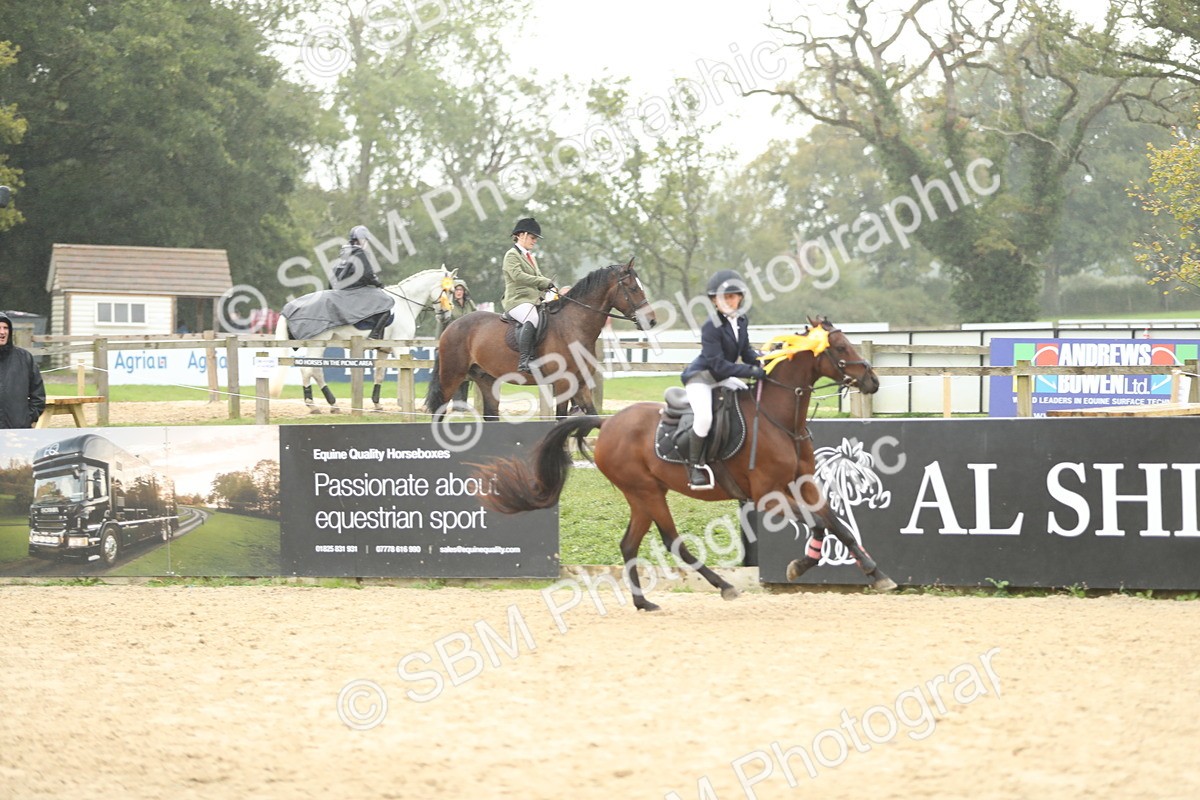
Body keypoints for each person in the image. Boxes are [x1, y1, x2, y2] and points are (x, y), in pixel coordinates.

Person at [679, 270, 766, 490]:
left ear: (740, 298)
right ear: (714, 301)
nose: (727, 301)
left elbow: (746, 352)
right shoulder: (711, 326)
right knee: (704, 418)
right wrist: (752, 371)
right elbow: (717, 364)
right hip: (702, 378)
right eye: (722, 298)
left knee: (747, 399)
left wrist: (765, 361)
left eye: (731, 296)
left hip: (723, 377)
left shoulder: (742, 321)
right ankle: (694, 467)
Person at [502, 217, 555, 373]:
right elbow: (517, 276)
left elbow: (537, 280)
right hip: (517, 301)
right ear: (522, 235)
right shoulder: (511, 255)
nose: (534, 241)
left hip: (533, 300)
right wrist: (543, 281)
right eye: (532, 238)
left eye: (535, 239)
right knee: (532, 318)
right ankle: (525, 360)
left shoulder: (530, 257)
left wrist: (548, 288)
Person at [330, 225, 390, 340]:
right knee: (386, 305)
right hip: (355, 293)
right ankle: (375, 335)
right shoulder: (359, 253)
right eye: (366, 240)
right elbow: (368, 275)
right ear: (361, 240)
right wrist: (379, 284)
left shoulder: (344, 253)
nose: (366, 243)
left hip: (341, 293)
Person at [0, 312, 47, 429]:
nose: (2, 332)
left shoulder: (24, 358)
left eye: (5, 328)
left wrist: (28, 418)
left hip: (18, 431)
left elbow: (38, 395)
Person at [436, 279, 477, 404]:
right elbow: (442, 323)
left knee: (468, 373)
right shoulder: (447, 304)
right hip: (453, 342)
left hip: (468, 343)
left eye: (460, 290)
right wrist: (438, 342)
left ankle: (462, 402)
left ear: (464, 291)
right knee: (455, 372)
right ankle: (457, 402)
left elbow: (477, 318)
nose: (458, 292)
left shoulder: (470, 304)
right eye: (456, 290)